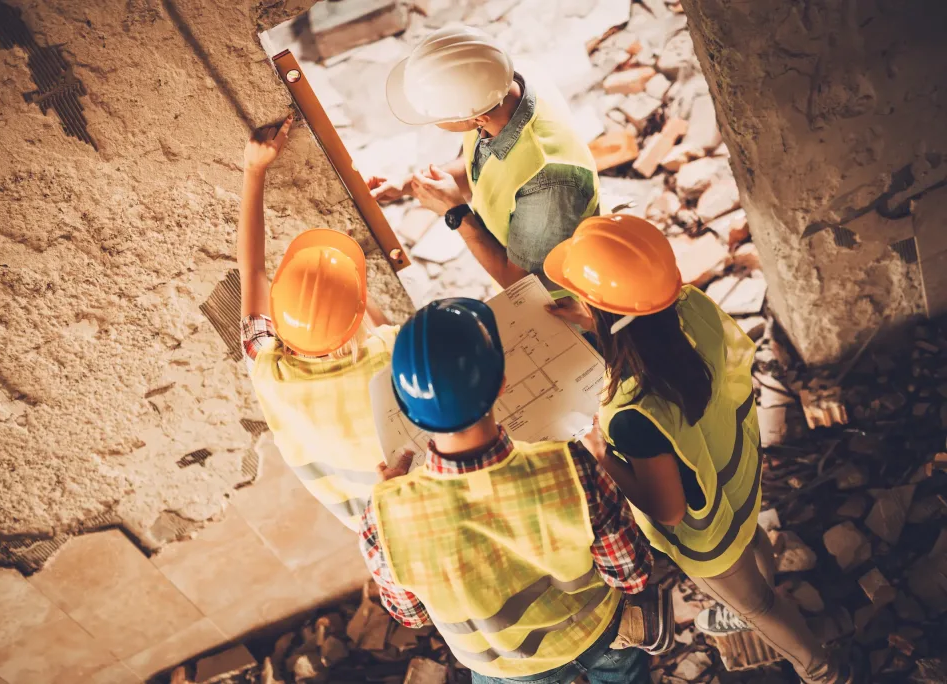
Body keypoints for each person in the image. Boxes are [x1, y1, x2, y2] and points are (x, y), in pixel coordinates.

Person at [543, 215, 855, 684]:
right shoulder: (690, 308)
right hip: (738, 478)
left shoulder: (635, 412)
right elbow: (642, 318)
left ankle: (823, 672)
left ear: (608, 314)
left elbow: (668, 511)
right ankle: (765, 590)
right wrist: (594, 318)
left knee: (757, 605)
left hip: (708, 536)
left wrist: (599, 451)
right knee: (751, 540)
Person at [358, 297, 662, 684]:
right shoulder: (572, 468)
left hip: (502, 668)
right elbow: (631, 575)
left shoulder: (382, 519)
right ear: (502, 383)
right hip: (599, 635)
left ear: (403, 405)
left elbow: (413, 615)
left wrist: (389, 504)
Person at [237, 115, 399, 530]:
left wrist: (254, 170)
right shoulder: (390, 351)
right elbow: (370, 321)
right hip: (417, 499)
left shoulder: (267, 364)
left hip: (366, 521)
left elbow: (251, 270)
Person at [370, 25, 598, 296]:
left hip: (564, 303)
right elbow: (479, 164)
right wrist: (407, 184)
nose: (433, 123)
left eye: (437, 117)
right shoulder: (503, 85)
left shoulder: (548, 180)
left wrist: (455, 212)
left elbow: (523, 285)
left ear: (477, 119)